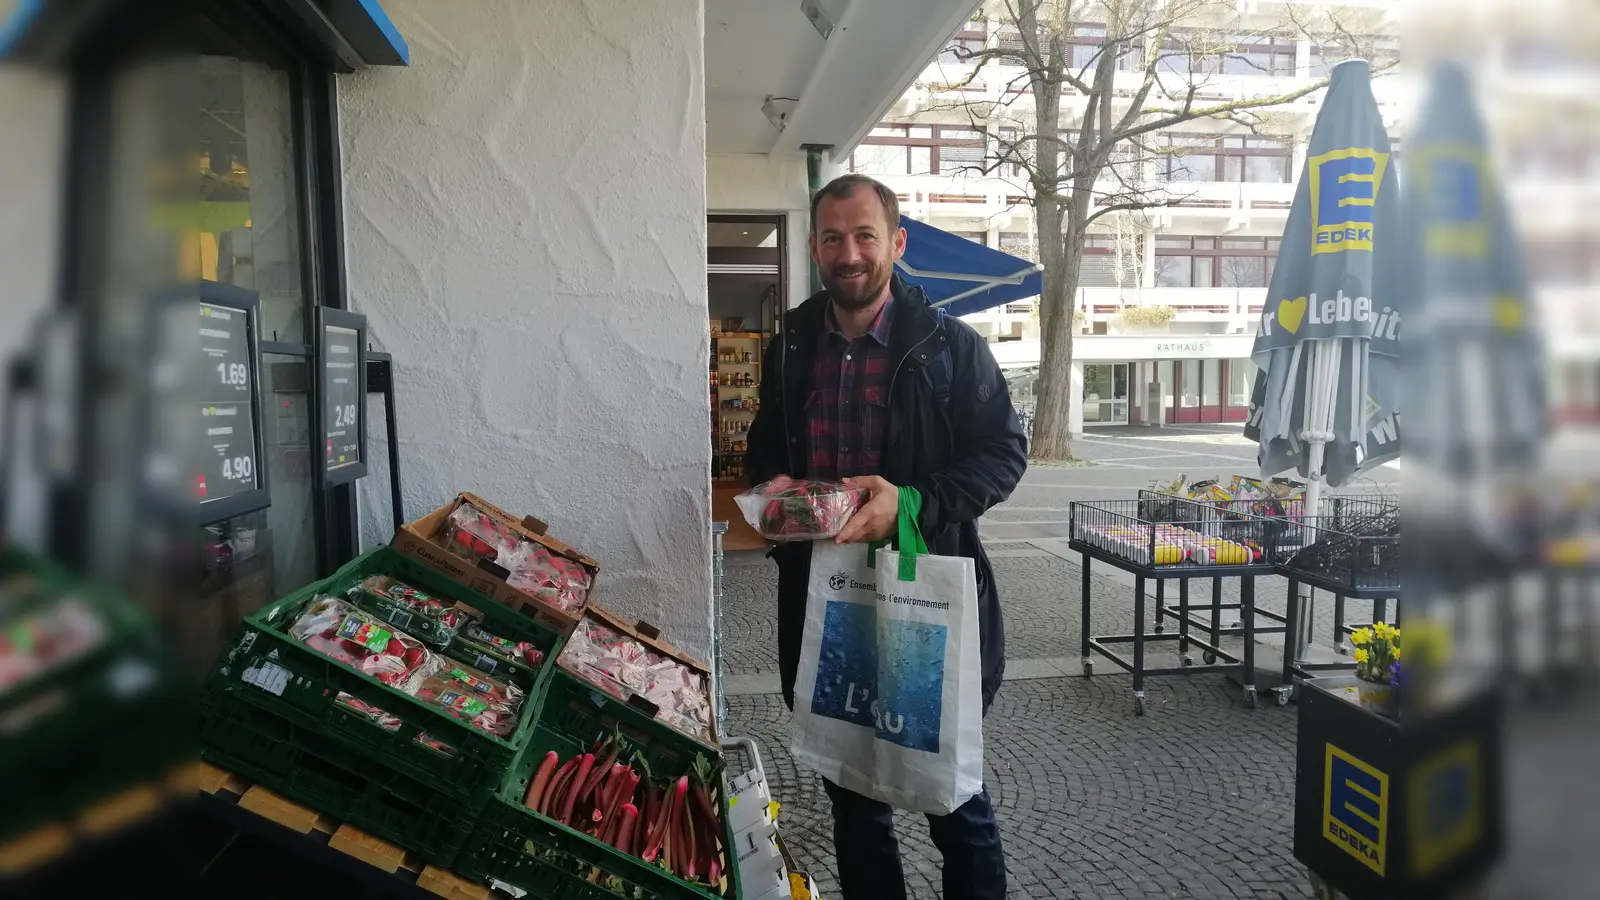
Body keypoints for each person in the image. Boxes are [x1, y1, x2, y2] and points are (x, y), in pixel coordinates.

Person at [743, 173, 1028, 900]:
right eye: (833, 237)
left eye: (865, 235)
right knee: (853, 799)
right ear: (814, 247)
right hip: (825, 603)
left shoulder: (949, 349)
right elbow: (765, 453)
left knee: (953, 801)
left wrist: (914, 503)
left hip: (923, 603)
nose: (850, 253)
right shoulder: (792, 345)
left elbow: (1003, 453)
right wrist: (778, 495)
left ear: (896, 243)